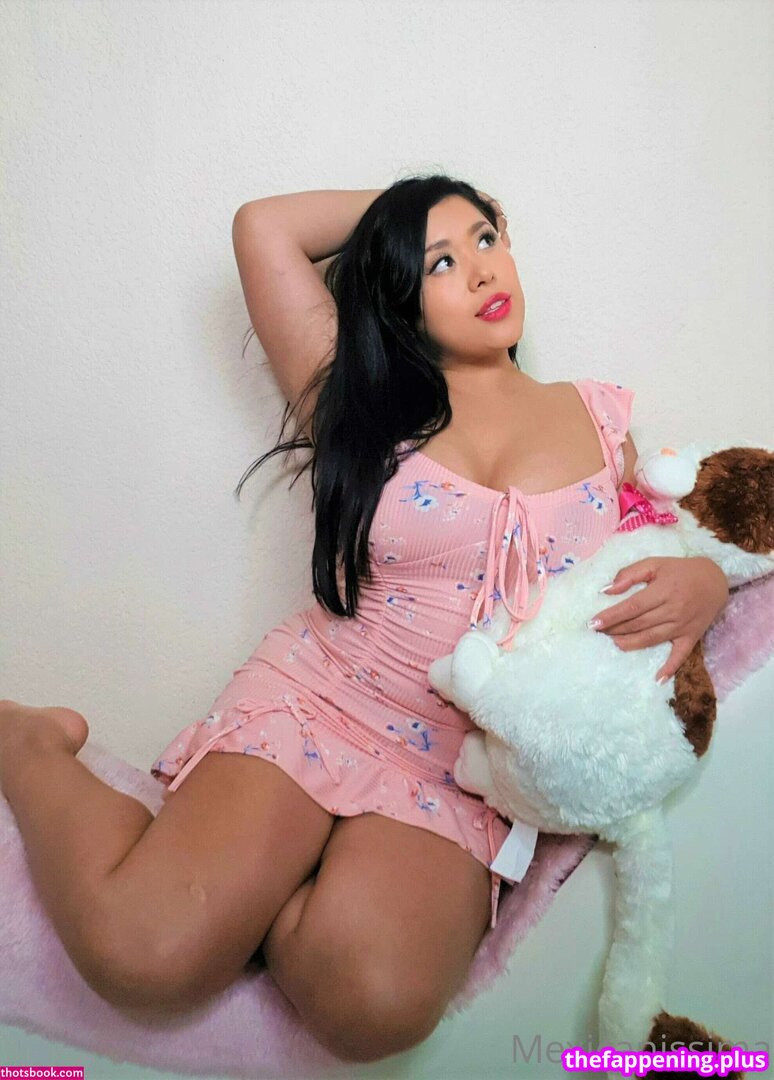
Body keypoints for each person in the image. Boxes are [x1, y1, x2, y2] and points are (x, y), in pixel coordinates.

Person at [0, 175, 730, 1065]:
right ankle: (28, 743)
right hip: (319, 703)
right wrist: (407, 210)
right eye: (440, 262)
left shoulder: (600, 417)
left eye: (487, 238)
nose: (480, 271)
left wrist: (704, 583)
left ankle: (269, 892)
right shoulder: (359, 398)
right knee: (146, 956)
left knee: (374, 1007)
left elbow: (660, 547)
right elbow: (262, 228)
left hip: (463, 769)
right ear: (398, 291)